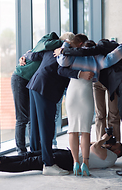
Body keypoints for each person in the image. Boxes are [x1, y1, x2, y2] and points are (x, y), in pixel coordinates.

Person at [57, 39, 122, 178]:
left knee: (72, 129)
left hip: (73, 93)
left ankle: (75, 162)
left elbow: (61, 62)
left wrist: (64, 45)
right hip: (89, 94)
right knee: (85, 131)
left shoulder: (73, 57)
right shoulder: (98, 59)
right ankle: (86, 163)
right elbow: (114, 56)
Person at [21, 33, 91, 176]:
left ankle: (36, 157)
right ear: (77, 44)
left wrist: (24, 55)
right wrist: (80, 74)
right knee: (47, 126)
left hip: (35, 84)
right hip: (46, 88)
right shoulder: (67, 52)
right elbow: (61, 70)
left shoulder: (53, 48)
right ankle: (48, 164)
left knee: (35, 125)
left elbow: (33, 55)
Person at [11, 32, 66, 155]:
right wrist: (64, 42)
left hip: (33, 82)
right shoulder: (48, 43)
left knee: (32, 118)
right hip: (20, 78)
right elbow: (38, 49)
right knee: (22, 118)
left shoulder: (55, 53)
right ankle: (20, 151)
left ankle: (34, 151)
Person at [0, 134, 122, 176]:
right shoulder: (108, 153)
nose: (112, 143)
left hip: (69, 161)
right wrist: (101, 142)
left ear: (118, 152)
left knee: (33, 162)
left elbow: (95, 148)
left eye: (115, 144)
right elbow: (86, 145)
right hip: (68, 154)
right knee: (32, 154)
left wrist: (103, 140)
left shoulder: (111, 158)